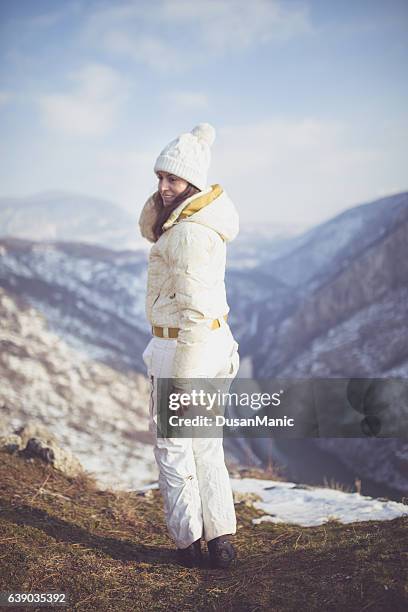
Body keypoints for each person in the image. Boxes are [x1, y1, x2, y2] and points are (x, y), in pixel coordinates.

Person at [138, 123, 240, 569]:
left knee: (175, 448)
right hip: (211, 345)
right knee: (204, 446)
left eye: (172, 180)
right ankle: (221, 542)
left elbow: (195, 312)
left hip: (185, 348)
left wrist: (182, 378)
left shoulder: (188, 235)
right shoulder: (196, 223)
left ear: (192, 185)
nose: (162, 187)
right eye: (159, 178)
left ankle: (188, 545)